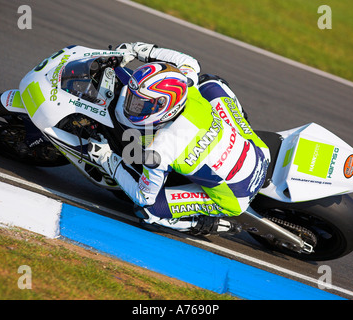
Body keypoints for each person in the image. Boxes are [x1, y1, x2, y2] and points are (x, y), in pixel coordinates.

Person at [88, 42, 270, 235]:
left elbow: (144, 197)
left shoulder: (160, 148)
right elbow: (188, 62)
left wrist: (106, 159)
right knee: (211, 83)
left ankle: (201, 223)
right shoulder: (188, 88)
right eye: (134, 98)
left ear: (165, 105)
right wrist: (138, 50)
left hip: (236, 195)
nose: (132, 105)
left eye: (142, 103)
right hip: (258, 151)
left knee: (149, 212)